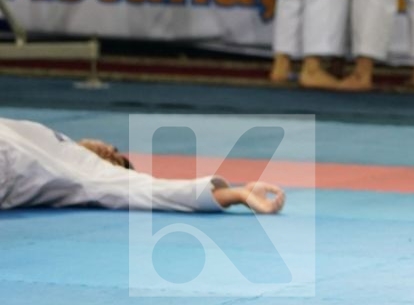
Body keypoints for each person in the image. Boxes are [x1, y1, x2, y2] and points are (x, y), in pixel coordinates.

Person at [0, 118, 285, 213]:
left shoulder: (92, 172)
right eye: (115, 150)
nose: (110, 150)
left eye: (115, 158)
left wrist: (237, 194)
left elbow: (152, 190)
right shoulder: (49, 136)